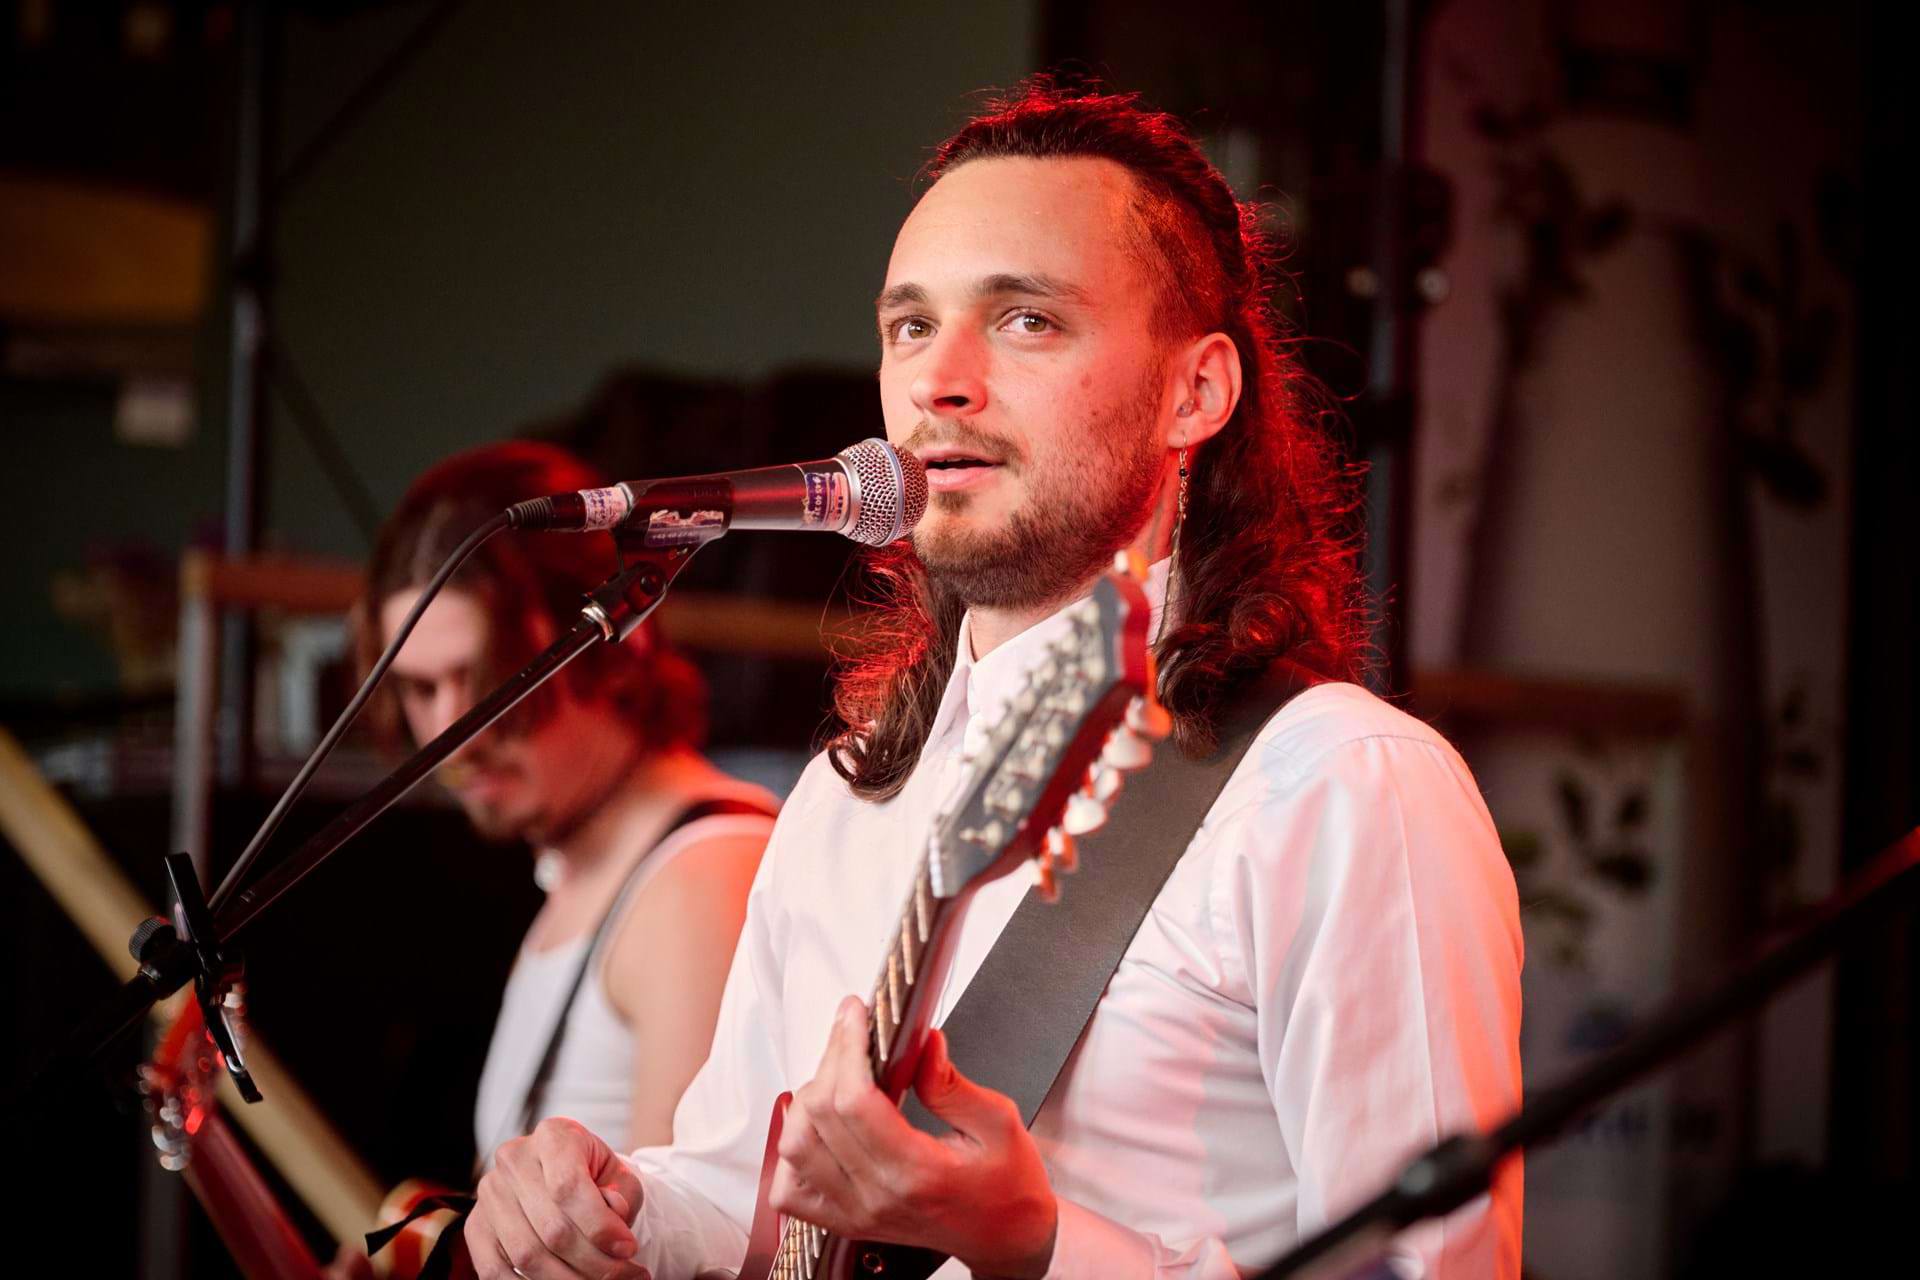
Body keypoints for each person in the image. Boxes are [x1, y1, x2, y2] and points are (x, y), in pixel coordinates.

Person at [464, 85, 1523, 1280]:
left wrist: (1040, 1244)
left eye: (1026, 319)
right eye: (910, 326)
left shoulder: (1341, 786)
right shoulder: (847, 796)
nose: (939, 382)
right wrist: (616, 1208)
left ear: (1196, 392)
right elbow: (743, 1189)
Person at [328, 443, 776, 1277]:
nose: (455, 731)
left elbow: (682, 1259)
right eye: (421, 689)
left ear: (612, 647)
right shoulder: (579, 874)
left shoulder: (699, 880)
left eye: (487, 677)